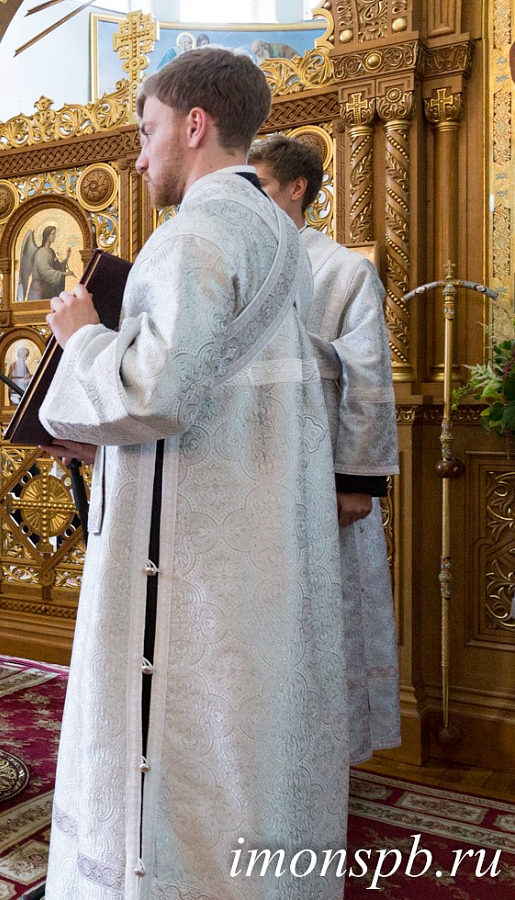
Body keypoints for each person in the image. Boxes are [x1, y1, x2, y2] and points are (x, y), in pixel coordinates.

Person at [34, 48, 346, 898]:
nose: (139, 157)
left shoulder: (191, 238)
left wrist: (81, 338)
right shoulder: (278, 233)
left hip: (189, 555)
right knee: (243, 739)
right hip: (249, 524)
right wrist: (102, 434)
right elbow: (216, 387)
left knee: (183, 740)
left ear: (194, 125)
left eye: (147, 130)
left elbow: (156, 391)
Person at [250, 133, 400, 765]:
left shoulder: (343, 270)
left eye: (258, 187)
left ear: (297, 188)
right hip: (250, 470)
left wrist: (356, 479)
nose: (248, 201)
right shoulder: (239, 265)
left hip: (320, 475)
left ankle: (322, 759)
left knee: (323, 612)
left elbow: (368, 379)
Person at [22, 225, 72, 300]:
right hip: (39, 291)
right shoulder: (41, 253)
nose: (55, 236)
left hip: (48, 289)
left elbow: (57, 267)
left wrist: (67, 257)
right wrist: (65, 274)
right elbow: (45, 272)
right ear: (47, 236)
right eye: (53, 234)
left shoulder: (51, 251)